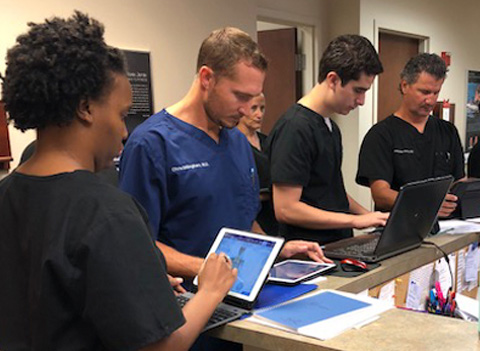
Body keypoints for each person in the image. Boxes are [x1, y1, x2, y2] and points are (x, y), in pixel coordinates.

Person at [0, 12, 237, 351]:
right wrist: (212, 290)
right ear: (85, 107)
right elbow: (162, 347)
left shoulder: (6, 194)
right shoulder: (107, 212)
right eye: (122, 115)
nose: (125, 132)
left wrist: (140, 288)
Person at [119, 27, 331, 279]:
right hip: (187, 301)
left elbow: (243, 221)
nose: (246, 110)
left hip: (242, 294)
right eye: (240, 96)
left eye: (253, 98)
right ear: (207, 78)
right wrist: (207, 271)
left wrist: (276, 250)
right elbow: (137, 245)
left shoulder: (237, 142)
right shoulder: (151, 144)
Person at [265, 35, 389, 246]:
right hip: (308, 253)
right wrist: (356, 220)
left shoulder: (330, 127)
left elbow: (331, 192)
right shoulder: (295, 128)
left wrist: (371, 217)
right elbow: (286, 209)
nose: (361, 101)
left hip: (335, 245)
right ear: (333, 80)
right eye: (358, 91)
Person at [356, 53, 464, 217]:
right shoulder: (381, 135)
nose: (430, 100)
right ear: (405, 85)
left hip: (447, 228)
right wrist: (426, 203)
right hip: (401, 230)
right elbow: (381, 194)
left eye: (435, 93)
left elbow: (459, 182)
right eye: (424, 92)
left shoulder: (448, 131)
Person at [236, 93, 278, 235]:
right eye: (253, 108)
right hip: (251, 216)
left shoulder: (268, 141)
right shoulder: (233, 144)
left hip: (273, 215)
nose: (259, 114)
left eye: (262, 108)